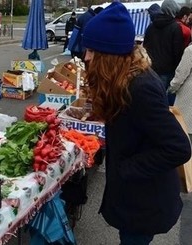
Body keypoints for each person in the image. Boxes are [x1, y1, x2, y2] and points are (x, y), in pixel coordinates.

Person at [82, 2, 191, 244]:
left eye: (92, 50)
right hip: (134, 197)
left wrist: (127, 168)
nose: (86, 56)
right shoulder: (125, 80)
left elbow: (179, 147)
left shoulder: (140, 88)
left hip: (144, 202)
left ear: (109, 55)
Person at [143, 0, 183, 106]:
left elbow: (145, 47)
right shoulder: (175, 27)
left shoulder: (151, 27)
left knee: (151, 99)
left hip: (151, 69)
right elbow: (177, 52)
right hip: (167, 71)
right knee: (166, 103)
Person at [168, 44, 192, 139]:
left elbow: (180, 75)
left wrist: (172, 87)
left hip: (188, 97)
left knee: (183, 131)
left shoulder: (190, 51)